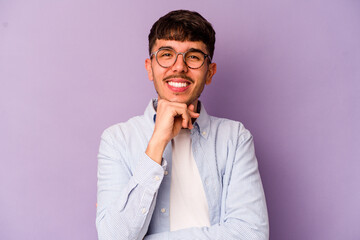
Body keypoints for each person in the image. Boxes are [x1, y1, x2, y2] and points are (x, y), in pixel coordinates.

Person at [96, 9, 269, 240]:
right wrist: (157, 142)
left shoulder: (235, 138)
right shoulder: (117, 139)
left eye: (194, 56)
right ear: (150, 68)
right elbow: (112, 237)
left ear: (210, 73)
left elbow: (251, 234)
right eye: (166, 54)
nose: (179, 67)